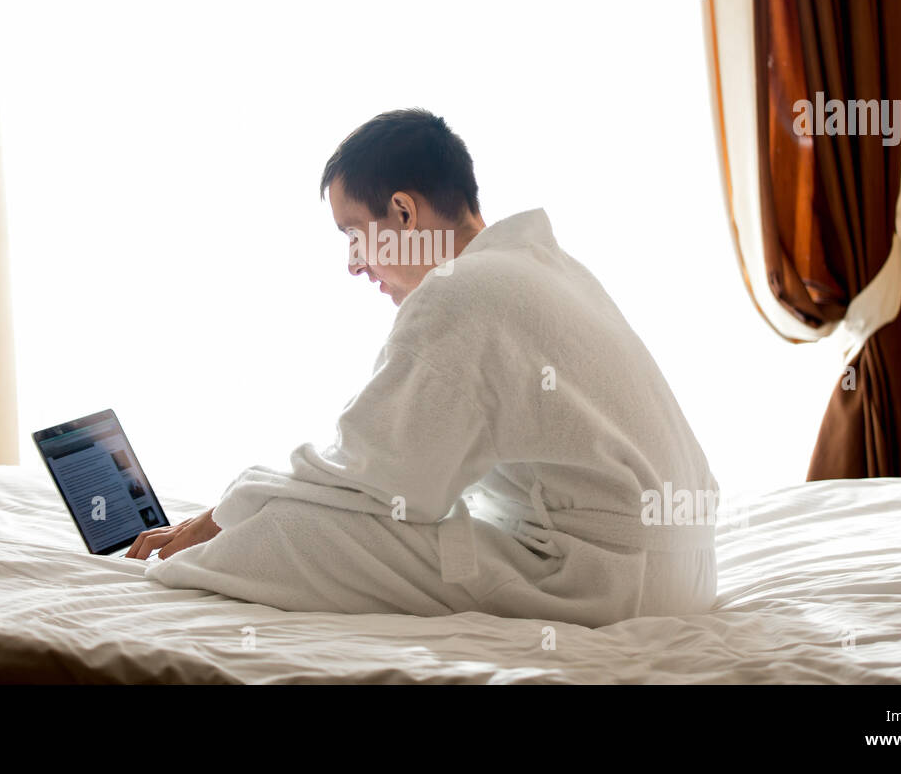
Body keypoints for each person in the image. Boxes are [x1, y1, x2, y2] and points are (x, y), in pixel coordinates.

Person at [129, 108, 718, 628]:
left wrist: (223, 514)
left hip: (607, 581)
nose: (355, 265)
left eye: (354, 234)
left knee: (285, 530)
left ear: (404, 213)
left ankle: (176, 563)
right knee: (286, 507)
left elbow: (370, 478)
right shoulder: (541, 267)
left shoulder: (461, 292)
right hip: (682, 570)